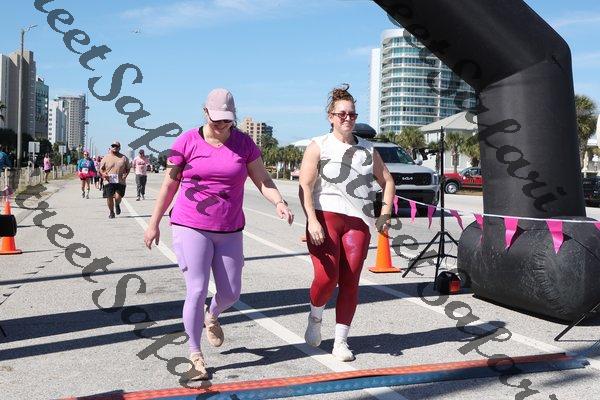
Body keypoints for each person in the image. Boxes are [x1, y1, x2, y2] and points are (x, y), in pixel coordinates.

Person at [143, 88, 294, 381]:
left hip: (229, 228)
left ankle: (212, 315)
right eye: (216, 119)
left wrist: (279, 202)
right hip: (190, 224)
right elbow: (169, 185)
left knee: (231, 293)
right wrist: (153, 223)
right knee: (196, 289)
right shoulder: (186, 141)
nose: (221, 125)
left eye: (227, 120)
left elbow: (262, 179)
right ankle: (195, 355)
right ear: (205, 113)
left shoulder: (244, 144)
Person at [298, 85, 395, 361]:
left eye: (352, 114)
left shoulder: (368, 149)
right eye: (342, 114)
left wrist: (384, 214)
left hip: (358, 221)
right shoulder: (319, 145)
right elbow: (305, 186)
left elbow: (388, 181)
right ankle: (315, 317)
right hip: (325, 216)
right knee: (327, 278)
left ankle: (341, 341)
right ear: (331, 117)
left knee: (351, 281)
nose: (347, 119)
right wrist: (312, 220)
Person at [100, 141, 130, 219]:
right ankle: (111, 212)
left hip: (120, 181)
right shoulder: (106, 157)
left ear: (119, 148)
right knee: (109, 197)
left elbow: (128, 168)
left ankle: (117, 204)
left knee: (118, 197)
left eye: (116, 146)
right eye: (113, 146)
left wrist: (126, 175)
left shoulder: (124, 158)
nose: (115, 147)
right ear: (111, 147)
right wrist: (103, 174)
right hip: (108, 181)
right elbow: (101, 169)